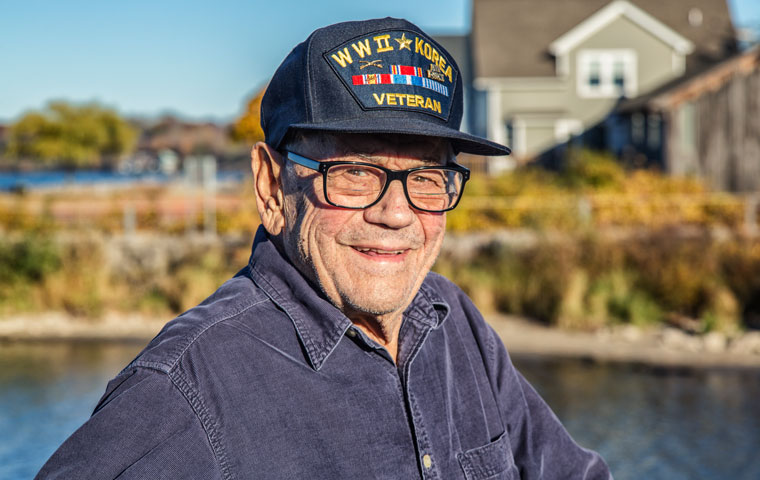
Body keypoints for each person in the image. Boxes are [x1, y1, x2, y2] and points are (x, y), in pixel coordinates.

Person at [37, 17, 612, 479]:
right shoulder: (184, 392)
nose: (396, 212)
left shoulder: (451, 320)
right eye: (355, 172)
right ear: (270, 186)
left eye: (428, 177)